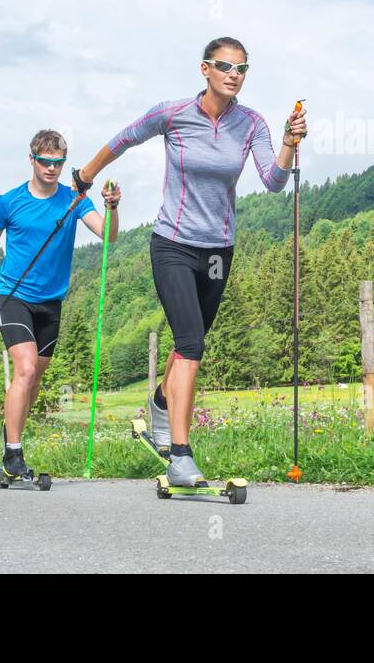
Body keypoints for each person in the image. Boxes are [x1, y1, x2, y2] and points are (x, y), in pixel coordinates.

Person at [73, 37, 306, 486]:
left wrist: (290, 144)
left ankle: (160, 405)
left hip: (219, 252)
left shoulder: (252, 124)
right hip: (173, 245)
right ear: (205, 69)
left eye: (242, 68)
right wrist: (86, 174)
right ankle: (181, 455)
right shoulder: (173, 114)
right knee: (191, 344)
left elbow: (274, 182)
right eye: (225, 66)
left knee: (188, 343)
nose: (234, 74)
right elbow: (124, 138)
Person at [0, 129, 121, 478]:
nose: (52, 168)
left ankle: (11, 443)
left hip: (51, 302)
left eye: (58, 162)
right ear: (32, 160)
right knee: (23, 370)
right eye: (45, 161)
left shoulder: (73, 199)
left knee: (34, 380)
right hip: (13, 296)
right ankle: (13, 453)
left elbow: (109, 236)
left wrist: (113, 207)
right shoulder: (10, 202)